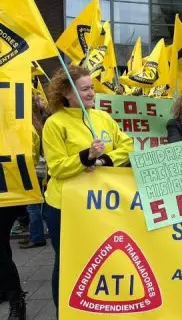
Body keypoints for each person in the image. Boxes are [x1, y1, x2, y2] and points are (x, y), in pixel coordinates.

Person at [42, 66, 134, 315]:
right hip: (63, 206)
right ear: (67, 93)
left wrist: (102, 160)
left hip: (97, 205)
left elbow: (128, 146)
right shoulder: (54, 123)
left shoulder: (103, 118)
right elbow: (57, 167)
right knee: (66, 261)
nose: (92, 92)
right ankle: (63, 310)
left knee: (94, 259)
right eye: (85, 89)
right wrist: (86, 156)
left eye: (92, 87)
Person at [0, 109, 42, 320]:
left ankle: (16, 300)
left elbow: (32, 152)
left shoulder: (17, 122)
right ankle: (7, 290)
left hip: (8, 191)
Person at [19, 96, 50, 249]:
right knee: (37, 204)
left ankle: (37, 237)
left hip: (33, 169)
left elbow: (30, 154)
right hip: (41, 169)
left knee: (32, 206)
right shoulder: (38, 124)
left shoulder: (27, 127)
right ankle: (34, 234)